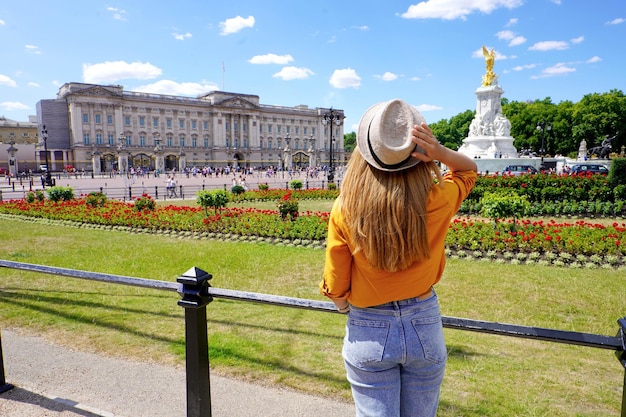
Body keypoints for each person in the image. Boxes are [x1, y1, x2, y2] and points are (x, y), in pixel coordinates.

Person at [319, 99, 477, 417]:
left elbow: (336, 281)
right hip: (424, 320)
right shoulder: (438, 199)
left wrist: (340, 302)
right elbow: (468, 170)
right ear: (419, 156)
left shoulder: (346, 209)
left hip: (368, 325)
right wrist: (440, 153)